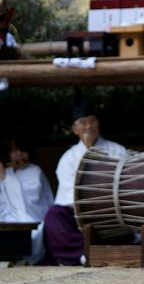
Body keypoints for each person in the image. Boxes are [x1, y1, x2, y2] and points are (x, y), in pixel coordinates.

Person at [43, 99, 128, 265]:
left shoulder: (117, 150)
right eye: (83, 122)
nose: (89, 126)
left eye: (92, 121)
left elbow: (126, 184)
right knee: (53, 217)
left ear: (98, 123)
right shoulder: (68, 158)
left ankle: (96, 252)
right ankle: (83, 254)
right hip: (78, 215)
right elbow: (67, 195)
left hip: (112, 213)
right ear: (75, 129)